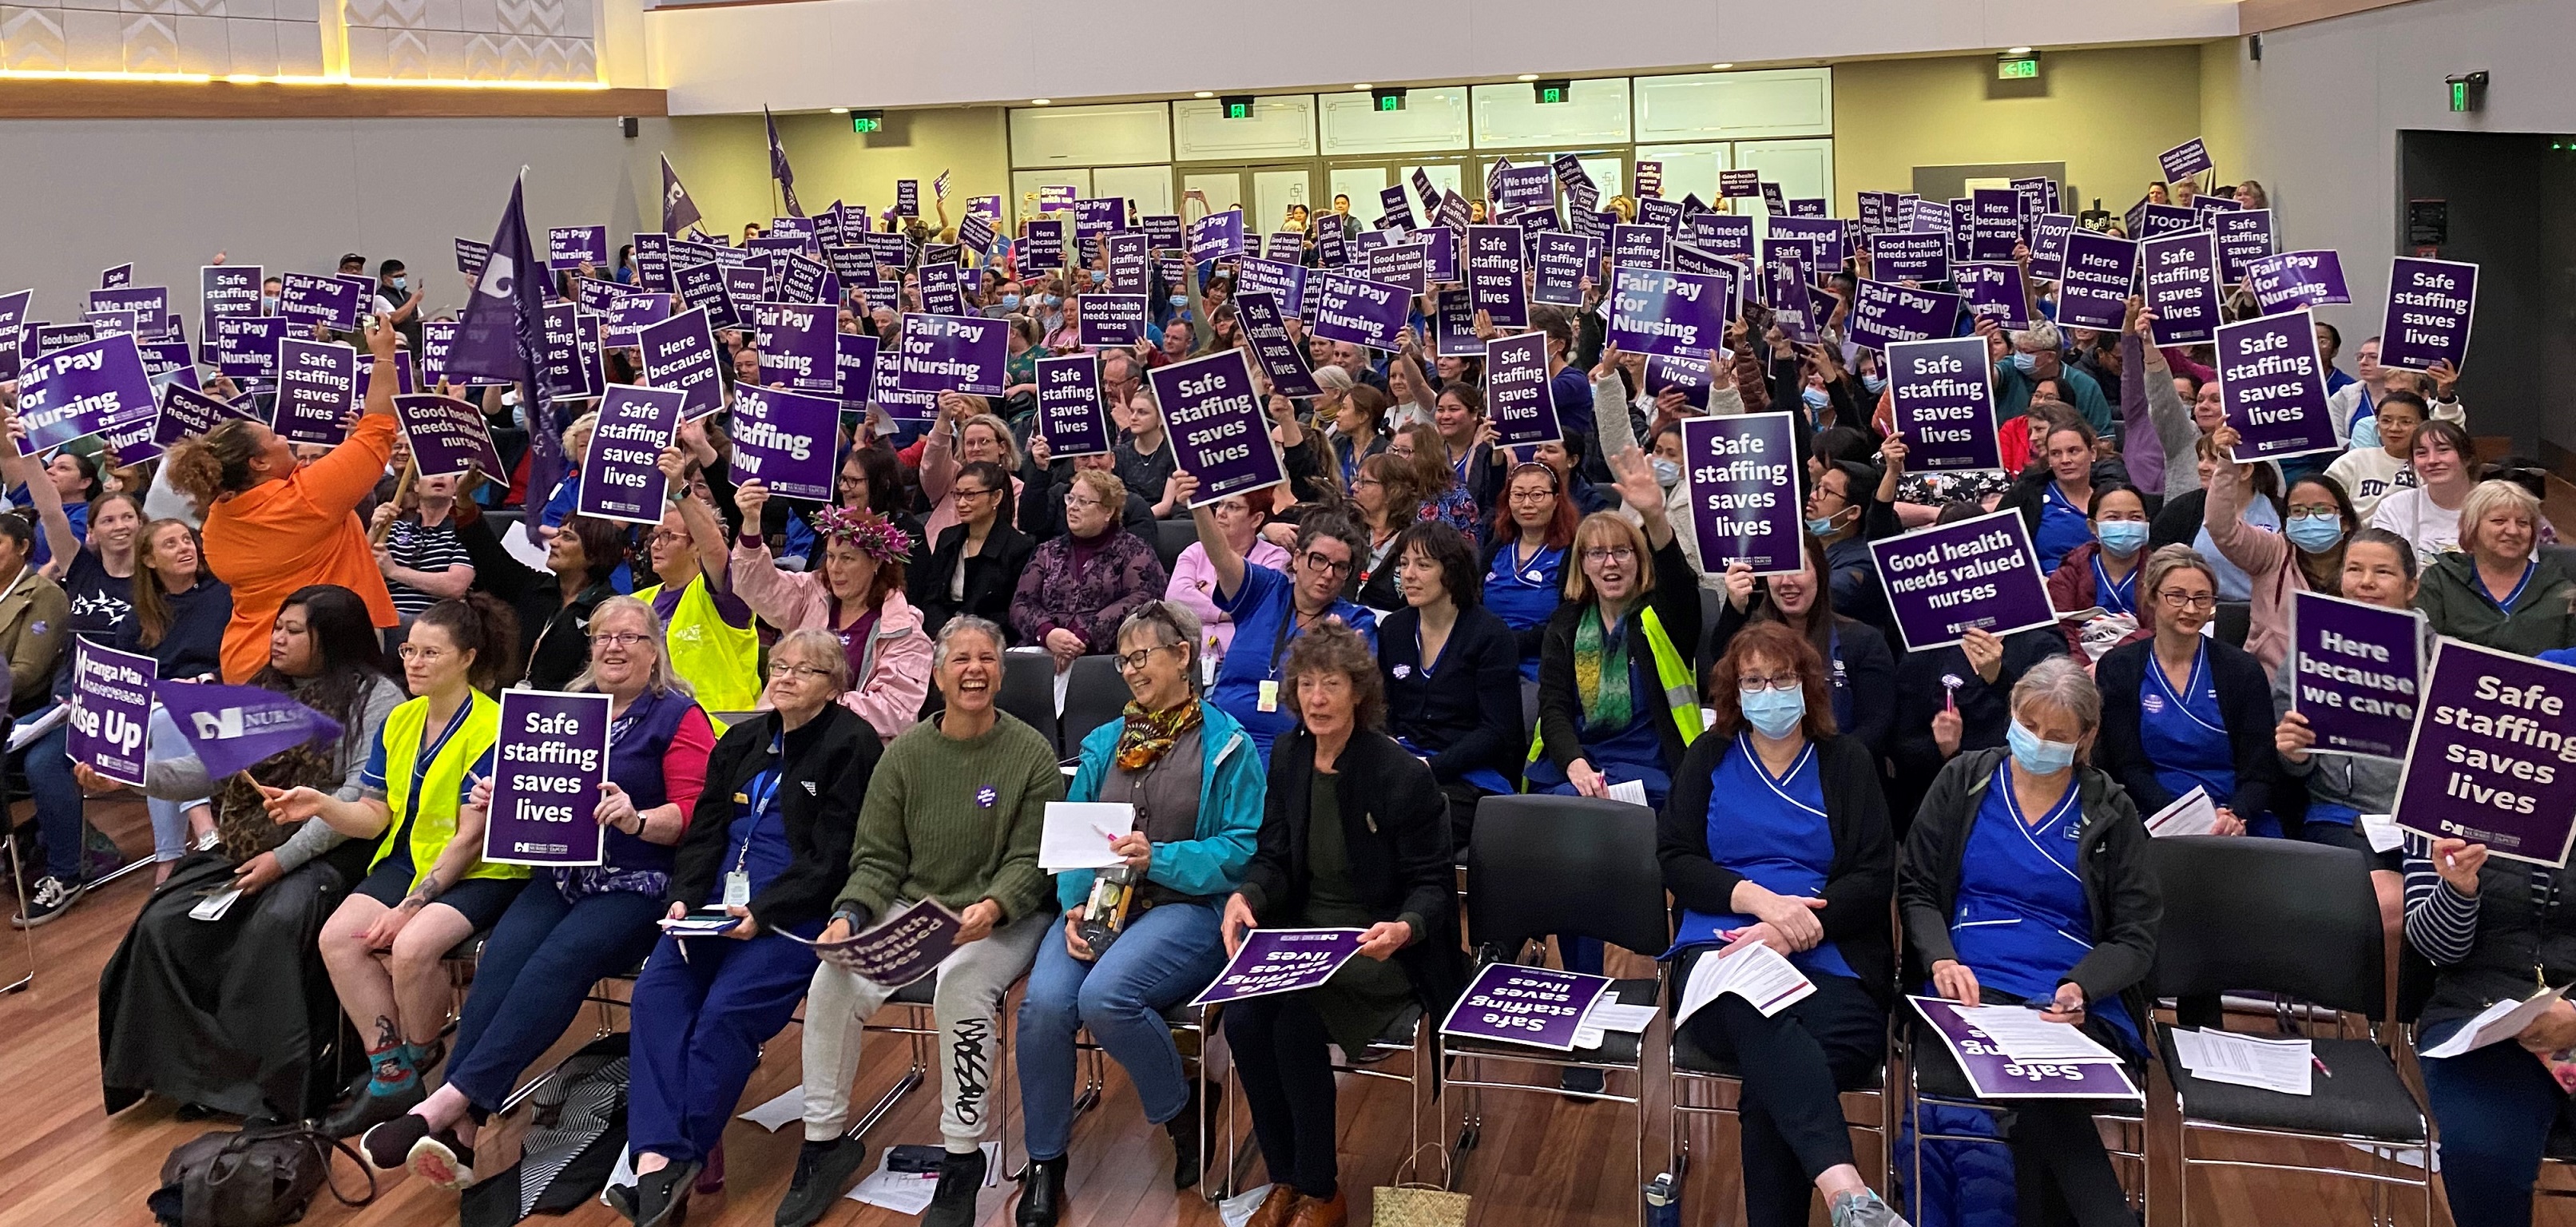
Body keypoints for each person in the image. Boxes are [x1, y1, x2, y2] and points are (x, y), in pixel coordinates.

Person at [358, 598, 718, 1189]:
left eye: (630, 637)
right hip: (559, 872)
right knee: (502, 958)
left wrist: (635, 819)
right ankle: (463, 1128)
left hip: (638, 880)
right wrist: (496, 795)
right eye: (602, 636)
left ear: (655, 651)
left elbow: (693, 815)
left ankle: (447, 1103)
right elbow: (522, 787)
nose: (614, 646)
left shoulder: (679, 717)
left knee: (559, 960)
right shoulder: (561, 711)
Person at [776, 617, 1058, 1227]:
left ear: (1001, 675)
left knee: (961, 985)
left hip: (1002, 915)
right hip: (915, 909)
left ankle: (961, 1156)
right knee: (831, 982)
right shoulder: (904, 755)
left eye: (987, 659)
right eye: (960, 660)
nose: (974, 670)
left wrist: (995, 904)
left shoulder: (1031, 753)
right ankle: (822, 1144)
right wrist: (849, 915)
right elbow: (877, 857)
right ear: (936, 675)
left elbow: (1032, 860)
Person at [97, 586, 403, 1119]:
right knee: (164, 923)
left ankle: (276, 1087)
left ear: (331, 639)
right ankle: (197, 1078)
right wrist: (127, 772)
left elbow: (357, 798)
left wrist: (282, 861)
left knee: (273, 926)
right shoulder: (261, 691)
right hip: (251, 840)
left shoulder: (376, 698)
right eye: (277, 627)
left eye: (293, 630)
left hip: (338, 846)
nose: (276, 639)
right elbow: (201, 770)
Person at [619, 629, 881, 1227]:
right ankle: (660, 1162)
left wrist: (764, 912)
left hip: (793, 912)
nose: (785, 677)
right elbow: (705, 833)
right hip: (713, 906)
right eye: (779, 666)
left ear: (834, 686)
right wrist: (684, 899)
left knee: (725, 1014)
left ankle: (666, 1166)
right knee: (656, 997)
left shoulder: (851, 744)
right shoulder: (741, 740)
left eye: (804, 670)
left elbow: (834, 856)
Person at [1012, 603, 1263, 1224]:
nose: (1129, 670)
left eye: (1141, 656)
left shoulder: (1228, 745)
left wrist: (1162, 859)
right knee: (1043, 1007)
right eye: (1122, 661)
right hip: (1100, 902)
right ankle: (1045, 1160)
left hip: (1188, 908)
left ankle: (1182, 1108)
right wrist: (1074, 906)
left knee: (1106, 998)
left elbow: (1240, 851)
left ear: (1182, 655)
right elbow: (1075, 838)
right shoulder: (1104, 742)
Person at [1661, 621, 1907, 1227]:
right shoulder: (1709, 756)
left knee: (1778, 1080)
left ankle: (1848, 1201)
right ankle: (1846, 1190)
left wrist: (1793, 927)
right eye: (1753, 681)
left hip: (1833, 951)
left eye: (1781, 678)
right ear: (1733, 691)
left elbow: (1873, 876)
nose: (1768, 692)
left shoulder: (1846, 762)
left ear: (1807, 685)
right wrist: (1758, 902)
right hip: (1722, 945)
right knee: (1756, 1020)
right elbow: (1676, 858)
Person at [1899, 657, 2158, 1227]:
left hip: (2068, 998)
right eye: (2030, 725)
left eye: (2057, 735)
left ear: (2086, 738)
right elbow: (1916, 887)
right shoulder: (1964, 780)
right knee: (2041, 1100)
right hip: (1969, 986)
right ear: (2011, 714)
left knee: (2041, 1093)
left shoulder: (2110, 811)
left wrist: (2080, 988)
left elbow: (2135, 936)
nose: (2039, 742)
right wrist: (1939, 958)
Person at [1220, 622, 1463, 1227]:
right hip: (1305, 935)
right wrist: (1247, 894)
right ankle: (1284, 1177)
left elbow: (1434, 886)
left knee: (1293, 1025)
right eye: (1306, 684)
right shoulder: (1290, 754)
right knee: (1245, 1021)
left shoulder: (1399, 773)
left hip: (1380, 945)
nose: (1317, 698)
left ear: (1358, 692)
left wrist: (1403, 928)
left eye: (1330, 684)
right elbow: (1275, 854)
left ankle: (1321, 1190)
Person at [268, 595, 525, 1137]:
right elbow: (373, 816)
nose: (414, 662)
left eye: (431, 653)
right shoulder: (401, 719)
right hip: (409, 858)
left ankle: (422, 1055)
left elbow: (470, 839)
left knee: (410, 948)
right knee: (339, 939)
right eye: (409, 650)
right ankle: (392, 1073)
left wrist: (409, 908)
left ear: (467, 659)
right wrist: (321, 805)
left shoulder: (495, 727)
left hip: (480, 870)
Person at [168, 313, 401, 682]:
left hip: (246, 664)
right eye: (274, 436)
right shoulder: (305, 499)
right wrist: (384, 357)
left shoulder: (216, 522)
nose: (285, 438)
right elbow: (379, 429)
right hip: (315, 665)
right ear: (259, 463)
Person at [2407, 823, 2576, 1227]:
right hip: (2480, 1014)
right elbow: (2435, 951)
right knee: (2483, 1155)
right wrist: (2458, 889)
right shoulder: (2443, 804)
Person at [1526, 448, 1700, 811]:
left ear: (1639, 560)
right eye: (1597, 554)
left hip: (1651, 770)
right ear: (1583, 565)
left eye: (1622, 552)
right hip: (1579, 768)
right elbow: (1554, 708)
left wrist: (1655, 517)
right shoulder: (1566, 624)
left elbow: (1680, 585)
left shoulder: (1661, 617)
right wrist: (1576, 766)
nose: (1610, 564)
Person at [2272, 528, 2421, 935]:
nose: (2366, 582)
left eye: (2383, 572)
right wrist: (2294, 753)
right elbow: (2293, 767)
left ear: (2411, 586)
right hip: (2340, 817)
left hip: (2420, 826)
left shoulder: (2440, 656)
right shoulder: (2306, 655)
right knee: (2386, 902)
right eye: (2355, 570)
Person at [1189, 471, 1379, 763]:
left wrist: (1336, 647)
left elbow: (1356, 697)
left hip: (1292, 753)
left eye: (1340, 567)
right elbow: (1222, 557)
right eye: (1319, 560)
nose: (1328, 574)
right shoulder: (1265, 589)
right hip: (1222, 737)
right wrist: (1199, 505)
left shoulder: (1353, 621)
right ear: (1298, 558)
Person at [2096, 547, 2284, 837]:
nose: (2191, 609)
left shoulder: (2242, 670)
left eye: (2202, 598)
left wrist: (2236, 815)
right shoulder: (2119, 667)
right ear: (2151, 596)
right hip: (2154, 814)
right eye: (2177, 596)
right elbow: (2127, 766)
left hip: (2235, 818)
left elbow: (2260, 771)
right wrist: (2184, 819)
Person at [732, 492, 931, 741]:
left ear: (876, 564)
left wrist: (813, 702)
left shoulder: (904, 630)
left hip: (852, 750)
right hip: (784, 735)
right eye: (831, 557)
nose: (835, 568)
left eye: (847, 558)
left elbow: (894, 711)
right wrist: (751, 523)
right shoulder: (812, 594)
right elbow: (755, 586)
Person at [1377, 520, 1523, 843]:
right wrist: (1387, 744)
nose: (1408, 575)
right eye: (1404, 563)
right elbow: (1381, 708)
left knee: (1404, 820)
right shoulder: (1393, 629)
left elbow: (1497, 732)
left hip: (1468, 777)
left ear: (1451, 571)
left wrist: (1431, 766)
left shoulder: (1490, 635)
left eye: (1423, 565)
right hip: (1402, 765)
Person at [1712, 536, 1898, 760]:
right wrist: (1734, 610)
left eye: (1798, 569)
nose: (1786, 581)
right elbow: (1723, 676)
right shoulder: (1749, 639)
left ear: (1820, 573)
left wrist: (1831, 765)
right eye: (1777, 570)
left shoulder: (1863, 641)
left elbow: (1877, 724)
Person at [2204, 429, 2362, 674]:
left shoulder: (2365, 564)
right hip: (2270, 680)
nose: (2310, 518)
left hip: (2340, 682)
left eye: (2322, 510)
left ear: (2346, 521)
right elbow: (2221, 527)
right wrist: (2226, 463)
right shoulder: (2272, 553)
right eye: (2298, 511)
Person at [1010, 469, 1169, 673]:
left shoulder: (1135, 551)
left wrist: (1083, 636)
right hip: (1045, 651)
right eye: (1070, 499)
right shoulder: (1047, 551)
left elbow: (1143, 599)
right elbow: (1021, 603)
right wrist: (1047, 633)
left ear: (1108, 512)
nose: (1072, 507)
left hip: (1106, 658)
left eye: (1083, 502)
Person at [634, 474, 763, 716]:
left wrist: (679, 488)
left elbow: (713, 548)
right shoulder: (636, 603)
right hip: (652, 724)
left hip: (719, 726)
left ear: (696, 546)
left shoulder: (725, 595)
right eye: (654, 537)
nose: (655, 545)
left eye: (668, 536)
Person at [459, 510, 625, 690]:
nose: (554, 542)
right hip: (506, 702)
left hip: (563, 706)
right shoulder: (534, 587)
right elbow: (488, 556)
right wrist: (465, 504)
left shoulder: (611, 611)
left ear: (594, 555)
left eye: (567, 537)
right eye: (558, 534)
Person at [2413, 478, 2576, 655]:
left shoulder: (2563, 593)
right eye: (2499, 521)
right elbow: (2419, 652)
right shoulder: (2440, 581)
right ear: (2472, 527)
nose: (2513, 531)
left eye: (2522, 523)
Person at [911, 459, 1034, 644]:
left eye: (970, 495)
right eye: (957, 495)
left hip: (992, 640)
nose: (961, 503)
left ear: (996, 497)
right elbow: (931, 598)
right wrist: (943, 630)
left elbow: (1013, 611)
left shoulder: (1019, 547)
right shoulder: (948, 538)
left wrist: (967, 632)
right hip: (944, 636)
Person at [1166, 492, 1288, 671]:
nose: (1221, 513)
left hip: (1239, 664)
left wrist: (1206, 591)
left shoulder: (1276, 558)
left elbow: (1263, 608)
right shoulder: (1195, 551)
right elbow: (1175, 598)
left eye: (1232, 507)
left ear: (1256, 519)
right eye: (1220, 505)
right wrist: (1230, 610)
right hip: (1190, 661)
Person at [1481, 459, 1578, 682]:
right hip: (1487, 662)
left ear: (1556, 500)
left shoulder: (1571, 554)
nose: (1527, 504)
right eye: (1518, 495)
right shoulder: (1496, 548)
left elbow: (1568, 623)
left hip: (1541, 668)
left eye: (1537, 495)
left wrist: (1511, 644)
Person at [2046, 484, 2153, 661]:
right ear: (2093, 526)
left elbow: (2161, 628)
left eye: (2135, 517)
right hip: (2077, 666)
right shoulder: (2071, 570)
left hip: (2140, 661)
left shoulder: (2162, 573)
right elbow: (2060, 625)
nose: (2125, 524)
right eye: (2113, 518)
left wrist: (2109, 663)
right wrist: (2081, 667)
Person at [2005, 413, 2105, 574]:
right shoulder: (2025, 495)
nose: (2065, 460)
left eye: (2073, 451)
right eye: (2056, 453)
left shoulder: (2112, 498)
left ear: (2092, 453)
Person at [2368, 419, 2478, 561]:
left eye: (2443, 450)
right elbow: (2383, 564)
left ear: (2467, 458)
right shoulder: (2393, 508)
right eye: (2422, 453)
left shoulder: (2498, 504)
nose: (2432, 461)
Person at [920, 398, 1026, 541]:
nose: (976, 448)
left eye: (984, 441)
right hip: (936, 551)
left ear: (1002, 447)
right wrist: (944, 419)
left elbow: (1015, 538)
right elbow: (932, 462)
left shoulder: (1017, 489)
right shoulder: (952, 476)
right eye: (970, 443)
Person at [371, 472, 474, 618]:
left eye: (447, 473)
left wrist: (394, 571)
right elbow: (359, 573)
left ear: (455, 487)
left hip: (437, 621)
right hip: (385, 616)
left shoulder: (466, 532)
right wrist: (373, 531)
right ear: (416, 486)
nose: (439, 477)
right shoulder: (393, 529)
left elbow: (455, 586)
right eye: (431, 472)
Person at [2324, 387, 2423, 520]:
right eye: (2386, 421)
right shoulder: (2353, 461)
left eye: (2405, 422)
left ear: (2424, 425)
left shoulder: (2430, 466)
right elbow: (2322, 501)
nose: (2394, 428)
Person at [1348, 452, 1423, 610]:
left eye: (1363, 482)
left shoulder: (1414, 546)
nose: (1353, 487)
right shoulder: (1347, 532)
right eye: (1356, 479)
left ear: (1392, 492)